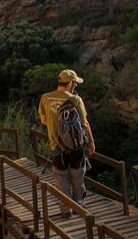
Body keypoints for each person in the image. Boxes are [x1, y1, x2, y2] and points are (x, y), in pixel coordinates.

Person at [38, 69, 96, 218]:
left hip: (56, 145)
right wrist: (92, 144)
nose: (75, 85)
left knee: (61, 176)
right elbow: (84, 123)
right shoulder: (76, 99)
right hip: (76, 145)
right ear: (70, 83)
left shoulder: (45, 98)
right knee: (78, 175)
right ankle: (79, 206)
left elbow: (43, 121)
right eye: (75, 82)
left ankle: (66, 209)